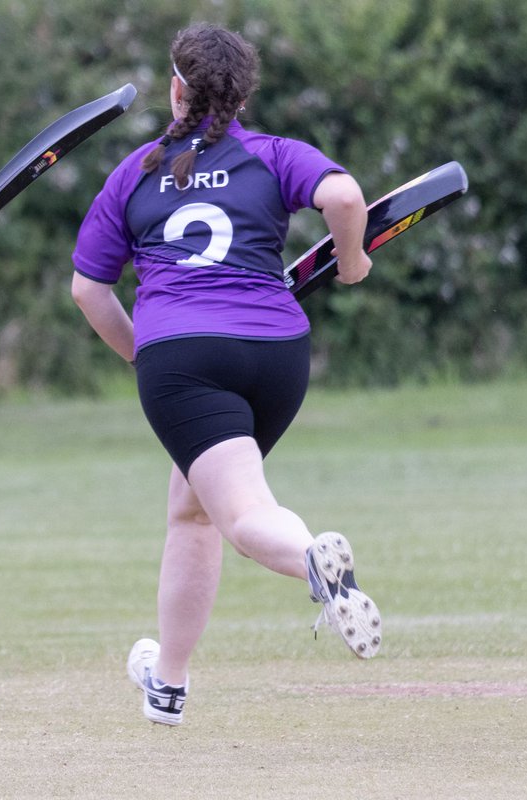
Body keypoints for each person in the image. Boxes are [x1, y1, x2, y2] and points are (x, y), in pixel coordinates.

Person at [70, 23, 383, 727]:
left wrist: (142, 354)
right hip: (277, 354)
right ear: (243, 92)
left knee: (240, 516)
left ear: (177, 88)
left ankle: (314, 560)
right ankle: (168, 683)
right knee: (192, 506)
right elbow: (343, 196)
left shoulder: (137, 171)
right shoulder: (275, 154)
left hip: (185, 356)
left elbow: (89, 291)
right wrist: (354, 259)